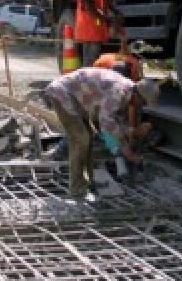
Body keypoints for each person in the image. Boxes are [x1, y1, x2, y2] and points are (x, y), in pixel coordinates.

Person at [42, 67, 158, 197]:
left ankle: (88, 182)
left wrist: (125, 142)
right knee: (81, 140)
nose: (140, 106)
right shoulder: (119, 92)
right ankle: (76, 189)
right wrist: (131, 140)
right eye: (142, 103)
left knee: (88, 138)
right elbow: (106, 124)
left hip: (76, 100)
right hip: (63, 95)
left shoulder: (126, 94)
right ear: (138, 95)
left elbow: (111, 126)